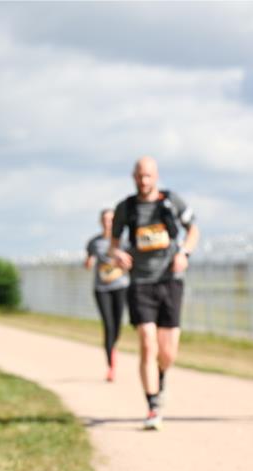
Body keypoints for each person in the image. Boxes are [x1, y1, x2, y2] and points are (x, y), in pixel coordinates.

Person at [110, 157, 199, 430]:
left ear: (156, 176)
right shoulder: (125, 208)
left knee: (167, 351)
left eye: (148, 176)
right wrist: (118, 255)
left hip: (170, 280)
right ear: (133, 177)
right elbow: (114, 244)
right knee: (147, 341)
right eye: (139, 176)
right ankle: (152, 406)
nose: (143, 181)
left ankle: (161, 378)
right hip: (140, 282)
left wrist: (184, 252)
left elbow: (193, 229)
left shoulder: (171, 202)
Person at [85, 208, 130, 381]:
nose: (107, 222)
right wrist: (89, 262)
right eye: (105, 219)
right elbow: (88, 260)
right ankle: (111, 365)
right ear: (100, 221)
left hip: (120, 286)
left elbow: (130, 262)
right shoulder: (94, 242)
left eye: (111, 219)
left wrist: (123, 263)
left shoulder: (123, 242)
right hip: (101, 288)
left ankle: (113, 347)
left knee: (117, 326)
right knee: (108, 326)